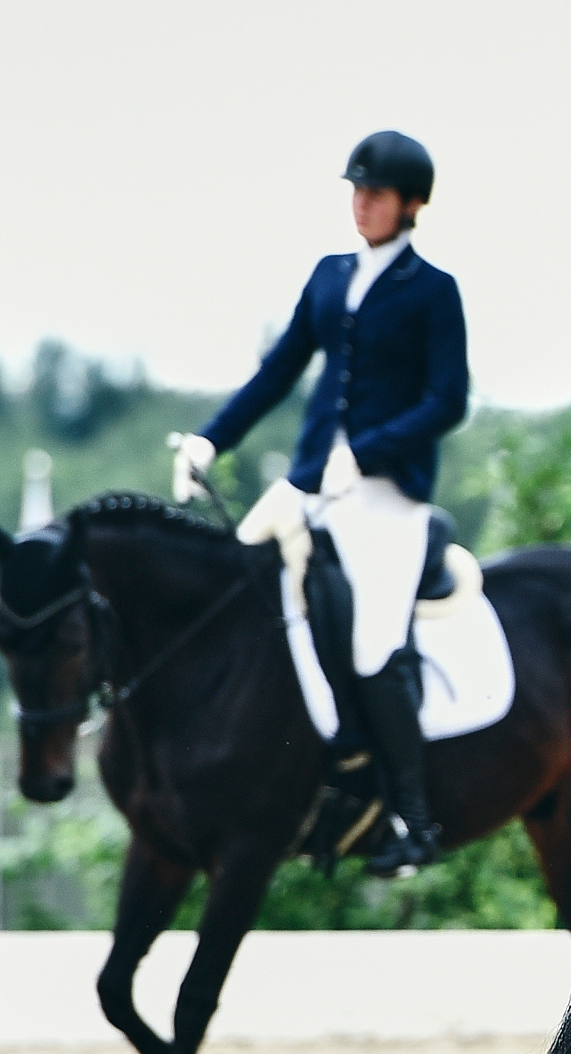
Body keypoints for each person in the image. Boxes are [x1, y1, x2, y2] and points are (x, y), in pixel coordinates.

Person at [167, 130, 468, 875]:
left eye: (377, 193)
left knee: (372, 645)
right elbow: (277, 373)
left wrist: (367, 451)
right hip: (309, 486)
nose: (361, 202)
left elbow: (447, 399)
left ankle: (413, 818)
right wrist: (211, 440)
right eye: (356, 190)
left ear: (411, 204)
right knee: (241, 599)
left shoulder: (432, 290)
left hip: (385, 497)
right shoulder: (330, 277)